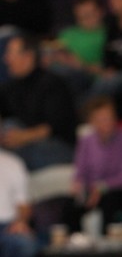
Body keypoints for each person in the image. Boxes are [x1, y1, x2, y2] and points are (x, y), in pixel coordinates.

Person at [0, 33, 77, 172]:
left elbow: (56, 126)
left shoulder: (52, 83)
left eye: (10, 53)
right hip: (27, 143)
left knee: (20, 149)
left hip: (59, 146)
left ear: (28, 56)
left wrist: (23, 137)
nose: (6, 59)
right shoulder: (10, 87)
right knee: (8, 128)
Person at [71, 95, 122, 229]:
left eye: (109, 117)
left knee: (108, 201)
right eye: (101, 119)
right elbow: (80, 171)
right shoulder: (86, 141)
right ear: (92, 122)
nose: (107, 122)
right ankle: (76, 244)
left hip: (121, 190)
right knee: (70, 205)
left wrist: (101, 187)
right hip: (93, 190)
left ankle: (107, 245)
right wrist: (78, 184)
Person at [0, 150, 40, 257]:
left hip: (7, 227)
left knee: (26, 246)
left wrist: (21, 222)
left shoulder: (13, 163)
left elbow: (23, 203)